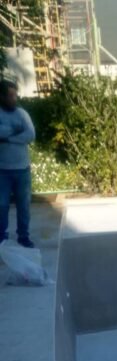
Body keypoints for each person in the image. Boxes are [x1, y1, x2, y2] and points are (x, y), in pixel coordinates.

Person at [0, 79, 36, 248]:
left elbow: (30, 135)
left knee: (24, 206)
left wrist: (7, 138)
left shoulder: (22, 114)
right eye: (10, 95)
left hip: (22, 169)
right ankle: (2, 237)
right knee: (1, 206)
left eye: (15, 95)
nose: (14, 98)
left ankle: (23, 236)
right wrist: (16, 131)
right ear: (1, 97)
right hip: (2, 170)